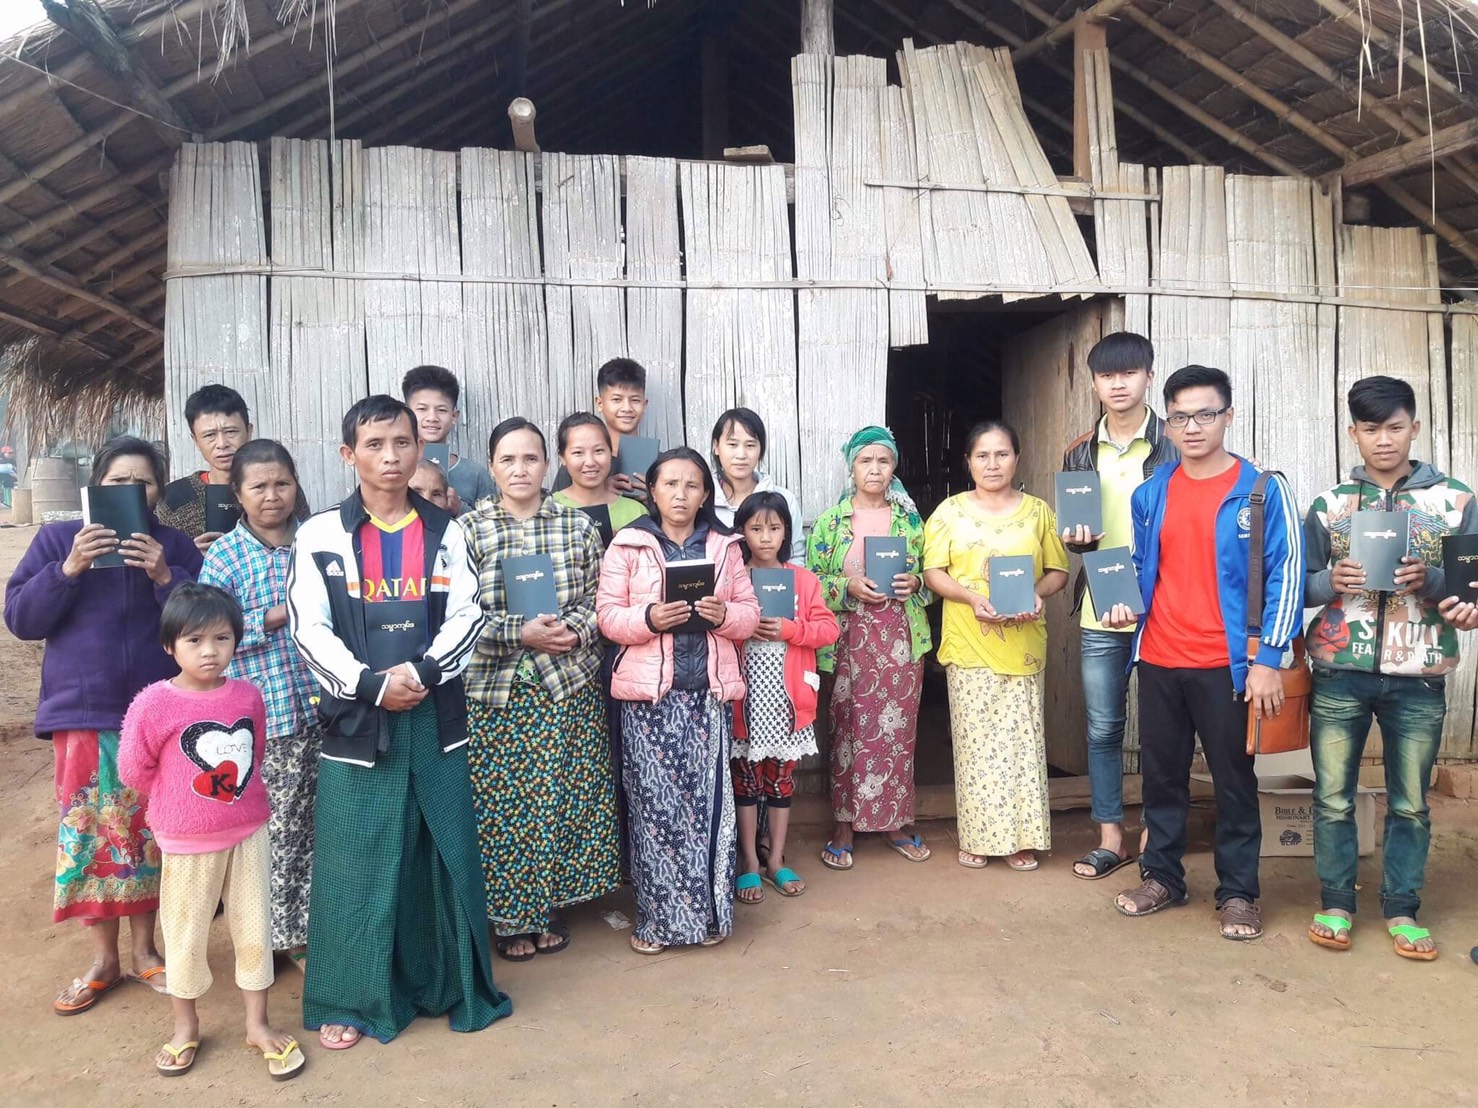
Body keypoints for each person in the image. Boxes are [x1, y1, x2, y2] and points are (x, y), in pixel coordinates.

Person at [287, 394, 511, 1048]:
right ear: (348, 453)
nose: (391, 457)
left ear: (422, 450)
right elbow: (309, 629)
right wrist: (367, 684)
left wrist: (424, 675)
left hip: (434, 715)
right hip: (358, 725)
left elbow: (469, 615)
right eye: (376, 444)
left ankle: (447, 981)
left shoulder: (450, 531)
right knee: (355, 859)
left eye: (403, 443)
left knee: (440, 853)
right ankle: (351, 1000)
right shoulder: (320, 535)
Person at [1105, 366, 1303, 940]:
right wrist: (1124, 605)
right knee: (1162, 777)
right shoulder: (1153, 491)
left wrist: (1269, 657)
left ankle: (1239, 893)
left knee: (1233, 781)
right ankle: (1162, 877)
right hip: (1162, 657)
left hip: (1229, 666)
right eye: (1181, 416)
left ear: (1228, 417)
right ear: (1167, 423)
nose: (1193, 426)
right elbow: (1143, 567)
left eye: (1206, 414)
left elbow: (1287, 574)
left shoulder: (1262, 490)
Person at [5, 436, 201, 1014]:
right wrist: (68, 569)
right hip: (84, 716)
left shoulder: (171, 544)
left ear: (158, 492)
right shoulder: (58, 539)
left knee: (146, 836)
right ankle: (103, 959)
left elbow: (206, 622)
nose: (130, 492)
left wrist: (166, 576)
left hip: (158, 714)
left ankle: (145, 953)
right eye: (118, 481)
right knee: (92, 838)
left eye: (143, 482)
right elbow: (21, 618)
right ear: (97, 486)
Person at [1303, 376, 1477, 960]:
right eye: (1371, 429)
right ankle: (1335, 902)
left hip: (1419, 676)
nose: (1384, 440)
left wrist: (1431, 583)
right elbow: (1293, 588)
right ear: (1352, 433)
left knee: (1411, 802)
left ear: (1416, 429)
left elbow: (1471, 590)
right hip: (1338, 669)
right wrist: (1332, 582)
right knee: (1332, 797)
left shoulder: (1455, 502)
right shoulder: (1330, 505)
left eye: (1395, 427)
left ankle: (1402, 909)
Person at [119, 584, 304, 1081]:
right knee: (185, 935)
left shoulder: (247, 695)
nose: (209, 651)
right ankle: (185, 1027)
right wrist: (178, 802)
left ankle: (258, 1024)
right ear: (169, 646)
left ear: (236, 641)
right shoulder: (153, 704)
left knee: (253, 929)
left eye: (221, 638)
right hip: (185, 841)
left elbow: (253, 752)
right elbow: (134, 769)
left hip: (248, 832)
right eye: (194, 640)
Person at [461, 417, 620, 960]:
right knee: (503, 806)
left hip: (565, 684)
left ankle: (546, 905)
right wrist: (516, 631)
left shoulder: (576, 527)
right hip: (496, 691)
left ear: (548, 465)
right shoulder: (468, 531)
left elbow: (600, 600)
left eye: (531, 459)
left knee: (560, 798)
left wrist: (572, 630)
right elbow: (455, 616)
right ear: (491, 468)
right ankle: (510, 918)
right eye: (508, 460)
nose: (520, 469)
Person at [596, 447, 760, 954]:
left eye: (692, 486)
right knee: (654, 812)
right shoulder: (628, 544)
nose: (681, 495)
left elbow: (749, 616)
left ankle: (710, 917)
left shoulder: (726, 546)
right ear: (652, 490)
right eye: (670, 484)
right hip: (648, 702)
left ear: (705, 493)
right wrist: (648, 619)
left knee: (710, 807)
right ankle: (658, 922)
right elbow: (607, 617)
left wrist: (722, 615)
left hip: (706, 697)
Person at [924, 421, 1069, 871]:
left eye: (1002, 454)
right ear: (968, 462)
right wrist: (971, 597)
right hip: (970, 641)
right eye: (982, 455)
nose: (992, 463)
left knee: (1022, 743)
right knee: (976, 744)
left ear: (1017, 458)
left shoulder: (1038, 512)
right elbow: (933, 572)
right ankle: (980, 836)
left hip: (1023, 643)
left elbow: (1057, 571)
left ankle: (1021, 838)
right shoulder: (949, 511)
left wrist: (1036, 594)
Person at [199, 440, 320, 972]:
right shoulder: (224, 555)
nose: (272, 496)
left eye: (282, 484)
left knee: (320, 826)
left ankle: (315, 924)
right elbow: (207, 636)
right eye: (259, 487)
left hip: (327, 709)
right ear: (238, 494)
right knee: (275, 833)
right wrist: (274, 617)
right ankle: (276, 936)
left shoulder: (317, 542)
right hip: (266, 721)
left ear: (296, 484)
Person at [1060, 332, 1177, 880]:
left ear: (1149, 376)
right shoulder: (1080, 451)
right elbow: (1073, 537)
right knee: (1104, 727)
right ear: (1094, 383)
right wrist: (1075, 539)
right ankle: (1111, 837)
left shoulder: (1176, 445)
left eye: (1129, 373)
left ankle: (1157, 836)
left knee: (1162, 729)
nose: (1119, 384)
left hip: (1167, 604)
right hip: (1101, 602)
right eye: (1108, 376)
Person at [807, 426, 934, 871]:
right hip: (849, 639)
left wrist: (915, 582)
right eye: (866, 461)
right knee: (847, 728)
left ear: (893, 466)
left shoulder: (910, 520)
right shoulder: (831, 522)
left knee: (898, 732)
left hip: (900, 640)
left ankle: (895, 821)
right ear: (852, 467)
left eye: (883, 460)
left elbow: (930, 580)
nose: (875, 469)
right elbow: (812, 585)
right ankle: (844, 824)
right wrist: (847, 587)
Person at [731, 492, 838, 902]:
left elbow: (829, 630)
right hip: (746, 699)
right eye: (755, 528)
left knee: (780, 780)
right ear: (741, 532)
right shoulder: (734, 579)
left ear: (786, 532)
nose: (764, 537)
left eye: (774, 528)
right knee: (745, 782)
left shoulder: (803, 580)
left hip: (787, 701)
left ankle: (775, 858)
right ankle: (749, 863)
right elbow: (718, 627)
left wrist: (792, 629)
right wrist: (744, 625)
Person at [157, 384, 310, 552]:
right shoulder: (174, 497)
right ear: (195, 441)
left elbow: (306, 539)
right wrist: (189, 556)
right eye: (209, 435)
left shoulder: (280, 491)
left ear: (249, 431)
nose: (222, 444)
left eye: (230, 431)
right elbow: (165, 562)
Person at [710, 408, 805, 560]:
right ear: (716, 446)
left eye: (750, 445)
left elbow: (796, 556)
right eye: (732, 445)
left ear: (761, 451)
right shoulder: (703, 500)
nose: (741, 455)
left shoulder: (784, 499)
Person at [401, 364, 495, 514]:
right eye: (422, 409)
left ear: (454, 416)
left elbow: (495, 527)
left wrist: (460, 509)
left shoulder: (474, 474)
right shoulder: (395, 468)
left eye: (441, 410)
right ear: (407, 413)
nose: (432, 418)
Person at [553, 357, 650, 499]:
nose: (627, 408)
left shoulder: (659, 462)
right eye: (617, 399)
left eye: (635, 400)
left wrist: (657, 499)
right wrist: (597, 490)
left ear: (644, 404)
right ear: (600, 403)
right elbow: (560, 509)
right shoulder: (578, 464)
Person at [551, 412, 647, 546]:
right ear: (562, 457)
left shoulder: (636, 512)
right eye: (578, 453)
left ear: (611, 451)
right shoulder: (549, 508)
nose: (590, 462)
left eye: (599, 451)